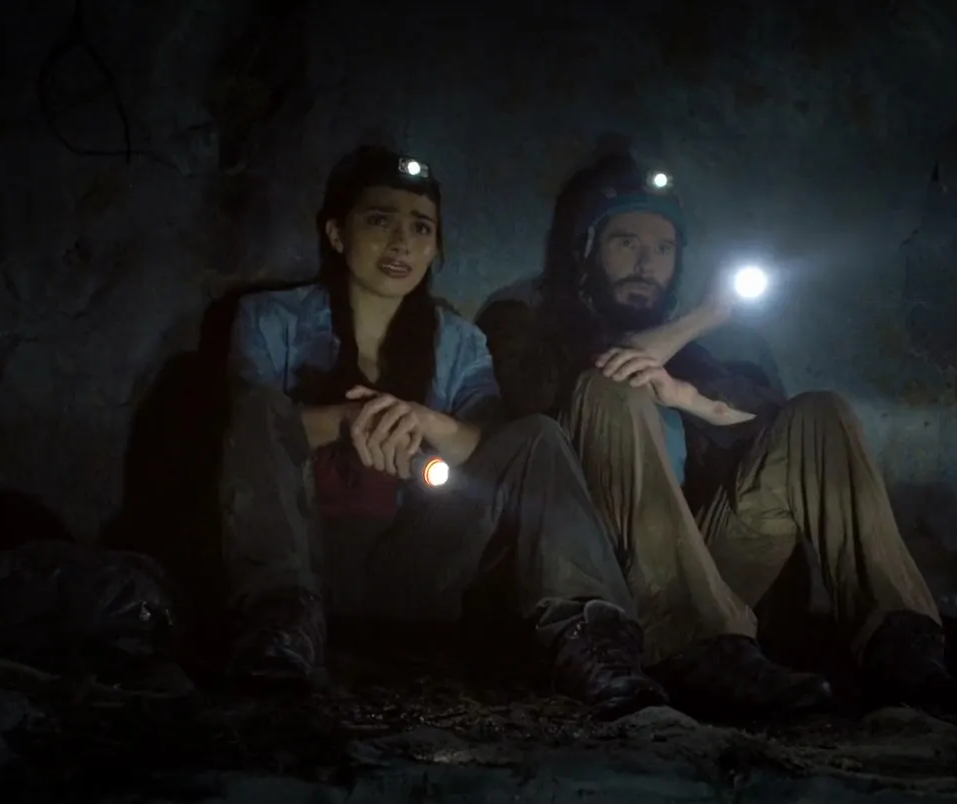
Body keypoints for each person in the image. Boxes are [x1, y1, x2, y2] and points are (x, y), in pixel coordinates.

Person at [475, 152, 957, 718]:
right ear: (587, 250)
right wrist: (706, 314)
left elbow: (761, 416)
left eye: (663, 249)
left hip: (695, 572)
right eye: (626, 243)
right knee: (612, 387)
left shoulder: (694, 358)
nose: (645, 263)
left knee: (820, 414)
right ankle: (695, 645)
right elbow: (532, 407)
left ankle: (899, 644)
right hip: (597, 579)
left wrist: (687, 397)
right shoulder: (527, 325)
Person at [220, 145, 666, 719]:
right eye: (379, 220)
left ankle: (592, 639)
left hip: (415, 560)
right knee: (259, 406)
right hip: (304, 554)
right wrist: (354, 420)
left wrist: (424, 421)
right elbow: (243, 429)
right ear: (337, 233)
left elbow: (494, 445)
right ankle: (277, 624)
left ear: (436, 247)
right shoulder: (270, 319)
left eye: (420, 228)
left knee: (537, 436)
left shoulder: (457, 342)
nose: (401, 243)